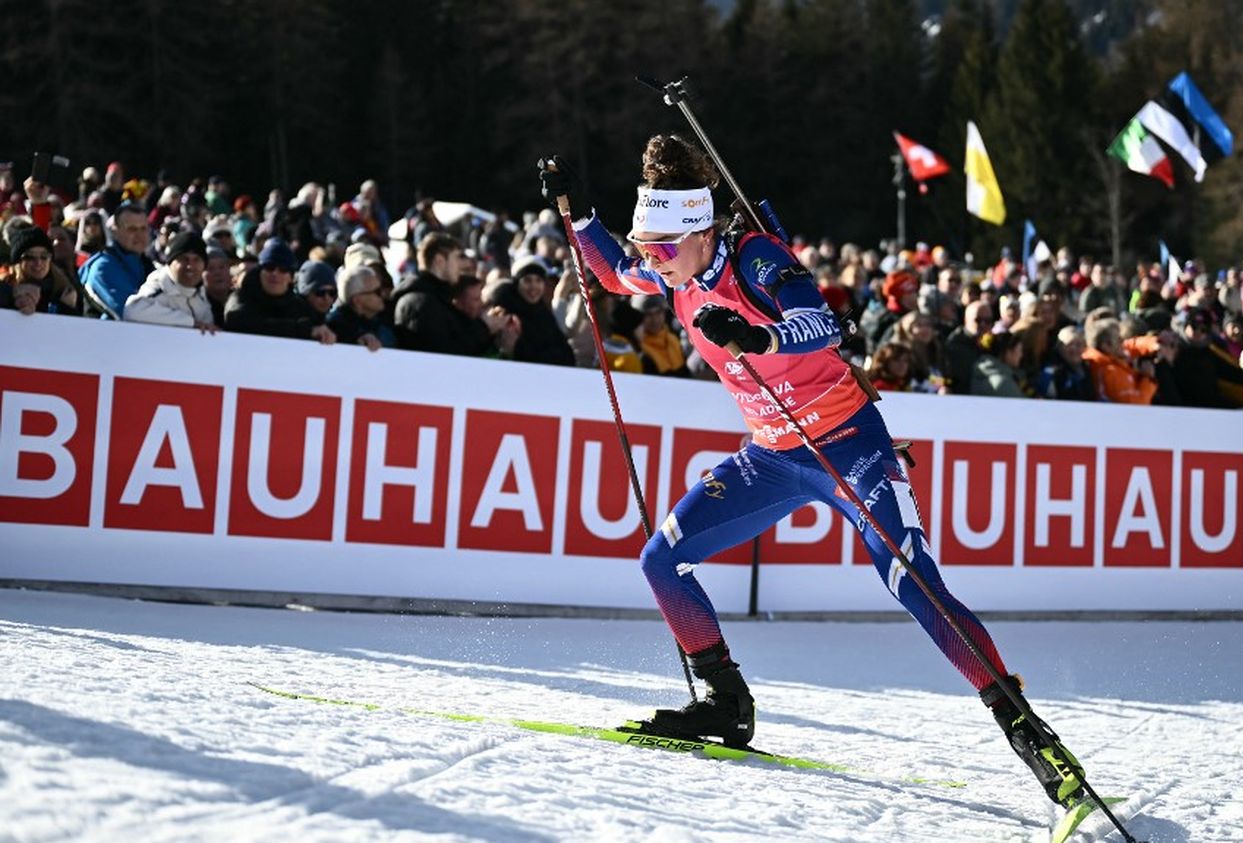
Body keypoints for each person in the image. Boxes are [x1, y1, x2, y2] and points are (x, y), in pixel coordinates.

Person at [541, 137, 1089, 813]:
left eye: (663, 246)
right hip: (773, 454)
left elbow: (820, 324)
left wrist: (758, 334)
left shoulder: (754, 257)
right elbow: (617, 272)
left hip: (848, 444)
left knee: (912, 579)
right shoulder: (674, 274)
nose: (654, 259)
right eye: (649, 244)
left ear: (701, 231)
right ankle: (723, 701)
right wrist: (579, 213)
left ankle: (1029, 734)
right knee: (661, 560)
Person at [392, 232, 509, 356]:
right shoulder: (420, 303)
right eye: (457, 257)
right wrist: (484, 327)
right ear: (440, 260)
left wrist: (490, 330)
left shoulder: (438, 299)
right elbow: (444, 355)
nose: (463, 264)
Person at [223, 238, 336, 343]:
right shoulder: (241, 297)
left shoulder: (300, 307)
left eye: (283, 270)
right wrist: (300, 330)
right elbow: (239, 322)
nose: (275, 274)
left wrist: (325, 334)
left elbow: (316, 328)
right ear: (260, 271)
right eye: (269, 267)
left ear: (291, 278)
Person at [123, 231, 215, 332]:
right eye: (183, 259)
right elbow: (132, 310)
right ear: (170, 263)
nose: (190, 266)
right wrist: (190, 323)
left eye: (196, 260)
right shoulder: (159, 286)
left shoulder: (200, 290)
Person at [80, 203, 151, 319]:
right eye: (132, 229)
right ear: (115, 231)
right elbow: (130, 312)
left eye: (143, 228)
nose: (139, 235)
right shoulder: (103, 267)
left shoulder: (148, 265)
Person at [326, 265, 395, 350]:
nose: (383, 295)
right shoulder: (336, 327)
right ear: (357, 301)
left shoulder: (385, 320)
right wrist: (357, 338)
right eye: (377, 292)